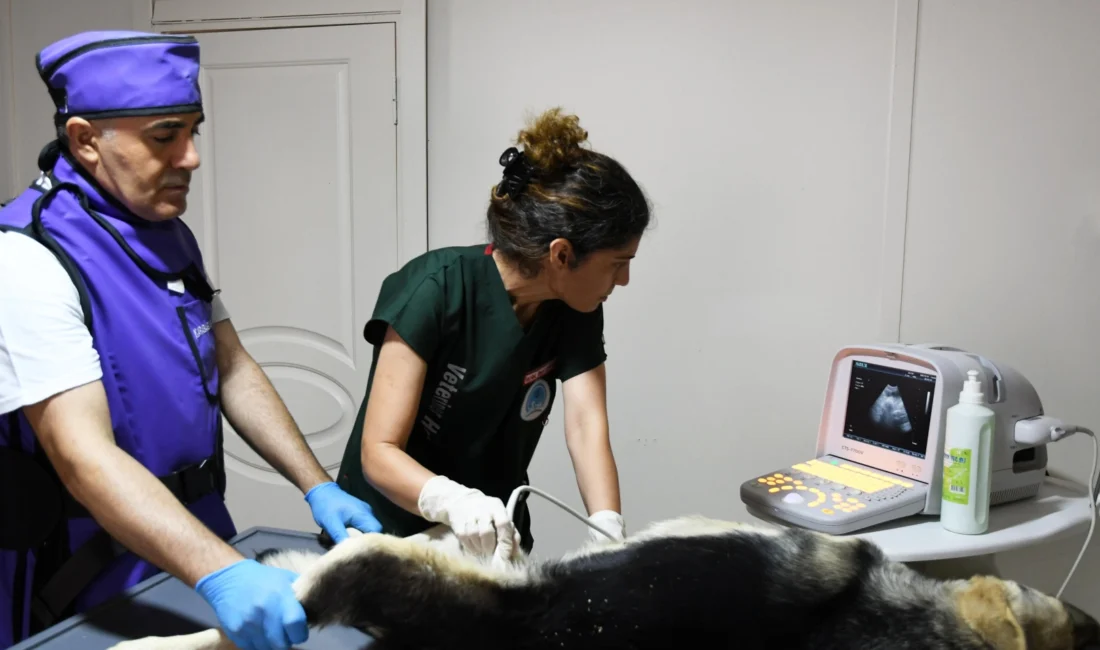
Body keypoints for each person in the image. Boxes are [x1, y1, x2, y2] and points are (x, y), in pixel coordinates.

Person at [0, 31, 382, 650]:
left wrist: (318, 486)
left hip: (198, 538)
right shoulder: (27, 258)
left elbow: (230, 366)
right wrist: (223, 573)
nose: (192, 157)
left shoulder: (165, 233)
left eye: (193, 131)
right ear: (85, 140)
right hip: (91, 573)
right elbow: (82, 456)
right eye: (164, 135)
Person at [336, 107, 651, 558]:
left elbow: (585, 425)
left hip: (495, 532)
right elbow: (379, 451)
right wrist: (454, 502)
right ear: (561, 255)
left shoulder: (574, 307)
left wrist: (607, 530)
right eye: (618, 263)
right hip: (390, 533)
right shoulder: (436, 289)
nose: (622, 281)